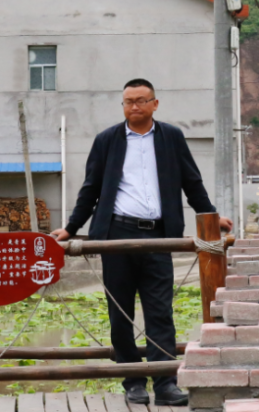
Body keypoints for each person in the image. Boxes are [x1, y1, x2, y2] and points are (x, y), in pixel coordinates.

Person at [53, 78, 232, 408]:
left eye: (140, 100)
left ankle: (165, 382)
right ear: (123, 105)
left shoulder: (171, 138)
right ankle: (133, 381)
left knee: (160, 311)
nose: (134, 106)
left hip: (159, 235)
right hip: (116, 235)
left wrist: (210, 215)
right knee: (120, 311)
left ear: (154, 103)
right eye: (128, 101)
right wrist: (71, 227)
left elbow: (192, 181)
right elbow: (90, 189)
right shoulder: (107, 140)